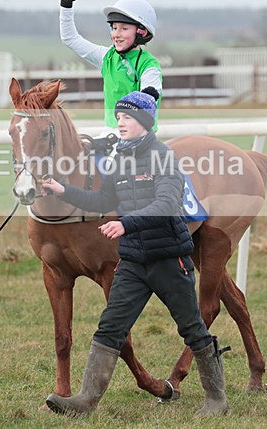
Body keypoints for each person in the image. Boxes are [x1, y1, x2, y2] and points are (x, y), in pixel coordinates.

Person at [41, 91, 228, 417]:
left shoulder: (164, 157)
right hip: (132, 261)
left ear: (143, 121)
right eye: (119, 117)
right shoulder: (120, 159)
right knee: (109, 328)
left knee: (193, 329)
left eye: (126, 117)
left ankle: (216, 399)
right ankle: (85, 400)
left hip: (170, 260)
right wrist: (63, 190)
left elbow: (167, 205)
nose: (120, 123)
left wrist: (126, 224)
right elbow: (101, 201)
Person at [59, 0, 163, 131]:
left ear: (141, 32)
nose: (116, 34)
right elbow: (70, 39)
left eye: (124, 28)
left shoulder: (149, 65)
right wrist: (66, 8)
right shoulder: (106, 56)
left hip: (139, 137)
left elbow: (150, 97)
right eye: (114, 28)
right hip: (110, 133)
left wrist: (148, 96)